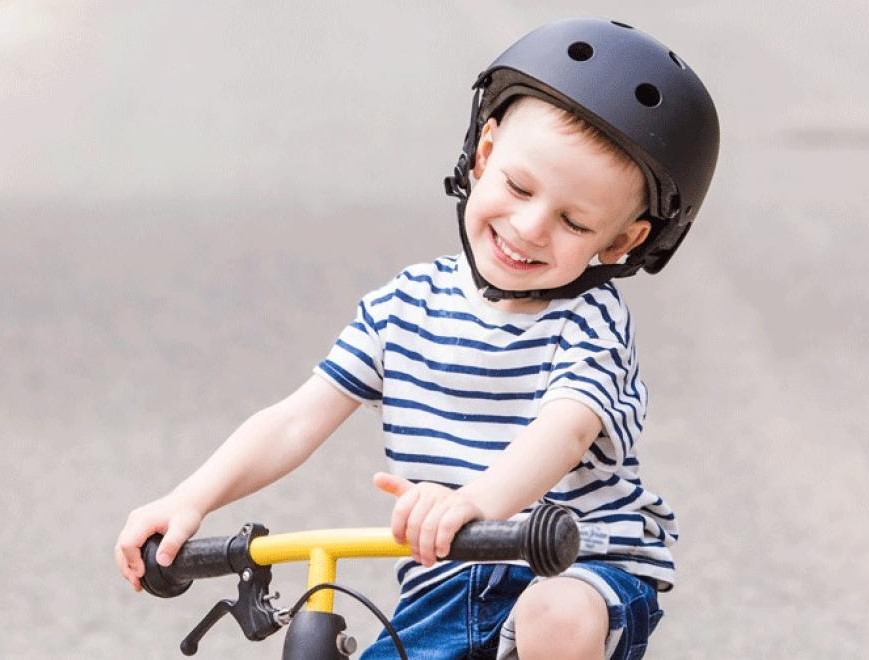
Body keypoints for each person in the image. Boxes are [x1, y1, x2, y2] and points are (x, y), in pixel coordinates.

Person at [116, 17, 719, 660]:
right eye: (517, 187)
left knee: (556, 616)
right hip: (443, 585)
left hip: (576, 564)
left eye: (573, 221)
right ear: (484, 156)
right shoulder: (404, 307)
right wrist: (190, 500)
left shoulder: (590, 321)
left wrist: (475, 504)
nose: (530, 227)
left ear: (621, 242)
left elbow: (563, 430)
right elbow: (294, 420)